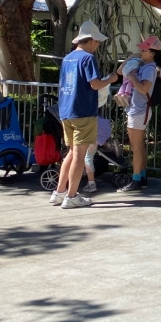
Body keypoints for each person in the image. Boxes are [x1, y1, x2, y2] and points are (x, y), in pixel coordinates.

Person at [51, 21, 119, 209]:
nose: (97, 45)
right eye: (97, 42)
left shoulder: (68, 58)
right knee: (80, 156)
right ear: (90, 40)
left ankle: (59, 192)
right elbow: (95, 84)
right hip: (83, 112)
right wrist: (111, 79)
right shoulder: (88, 59)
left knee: (71, 153)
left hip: (66, 111)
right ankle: (72, 195)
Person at [116, 36, 161, 193]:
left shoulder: (149, 68)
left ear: (152, 53)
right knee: (139, 147)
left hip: (138, 110)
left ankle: (136, 180)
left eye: (144, 50)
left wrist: (131, 77)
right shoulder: (145, 65)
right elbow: (119, 71)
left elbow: (144, 89)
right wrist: (131, 58)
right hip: (138, 110)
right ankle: (141, 177)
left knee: (136, 148)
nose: (141, 51)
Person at [80, 116, 113, 194]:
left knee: (87, 158)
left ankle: (91, 183)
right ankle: (107, 144)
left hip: (91, 135)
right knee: (89, 156)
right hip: (98, 133)